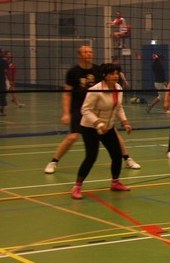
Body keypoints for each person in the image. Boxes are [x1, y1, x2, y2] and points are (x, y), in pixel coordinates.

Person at [45, 44, 140, 173]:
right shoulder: (73, 72)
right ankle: (53, 162)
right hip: (80, 107)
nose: (89, 54)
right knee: (73, 136)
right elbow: (67, 93)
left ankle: (127, 158)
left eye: (90, 52)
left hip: (98, 107)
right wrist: (66, 113)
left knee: (113, 133)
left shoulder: (98, 70)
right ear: (80, 55)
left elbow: (108, 85)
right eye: (85, 52)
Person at [71, 63, 133, 199]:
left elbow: (118, 108)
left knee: (117, 154)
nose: (115, 76)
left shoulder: (118, 88)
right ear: (104, 75)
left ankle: (115, 182)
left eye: (117, 73)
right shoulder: (95, 90)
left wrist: (125, 122)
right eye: (112, 74)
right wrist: (98, 123)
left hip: (108, 127)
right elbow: (85, 110)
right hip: (90, 127)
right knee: (91, 156)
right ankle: (77, 186)